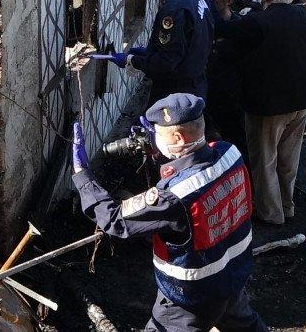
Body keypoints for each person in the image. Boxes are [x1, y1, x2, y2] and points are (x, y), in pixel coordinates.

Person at [72, 93, 267, 332]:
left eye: (157, 133)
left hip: (191, 298)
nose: (153, 139)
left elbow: (115, 220)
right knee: (245, 326)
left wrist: (82, 176)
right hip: (232, 275)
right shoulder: (230, 154)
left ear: (177, 137)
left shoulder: (175, 195)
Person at [200, 0, 306, 227]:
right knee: (288, 157)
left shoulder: (260, 22)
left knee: (264, 157)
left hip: (270, 104)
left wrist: (207, 0)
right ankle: (286, 205)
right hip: (302, 101)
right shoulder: (305, 15)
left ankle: (269, 214)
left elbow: (225, 29)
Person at [101, 0, 214, 102]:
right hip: (195, 89)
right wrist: (151, 51)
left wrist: (131, 60)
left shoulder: (174, 10)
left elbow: (166, 63)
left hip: (175, 98)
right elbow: (187, 46)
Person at [204, 0, 248, 154]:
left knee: (235, 144)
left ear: (229, 1)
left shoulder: (239, 27)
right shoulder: (202, 22)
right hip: (204, 95)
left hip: (229, 100)